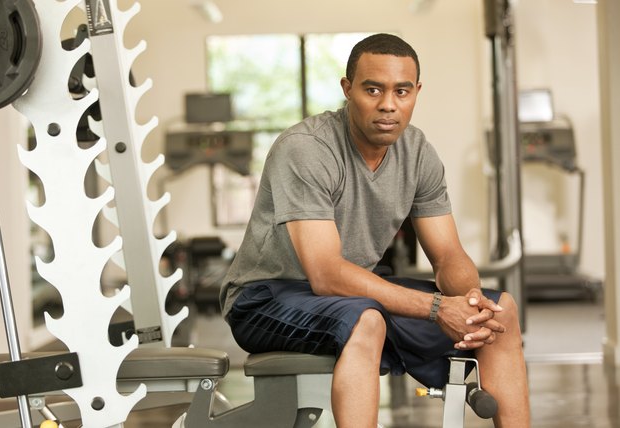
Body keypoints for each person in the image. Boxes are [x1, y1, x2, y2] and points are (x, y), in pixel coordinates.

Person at [219, 33, 530, 427]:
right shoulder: (306, 148)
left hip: (354, 295)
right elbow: (326, 274)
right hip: (264, 297)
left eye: (402, 91)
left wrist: (470, 304)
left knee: (501, 313)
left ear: (416, 92)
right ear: (347, 89)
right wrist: (437, 308)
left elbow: (448, 254)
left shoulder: (417, 153)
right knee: (366, 318)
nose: (388, 104)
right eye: (372, 89)